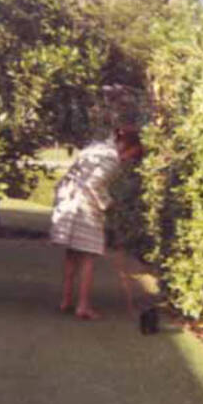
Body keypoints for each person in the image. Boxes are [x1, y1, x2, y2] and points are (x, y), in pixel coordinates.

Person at [50, 127, 143, 319]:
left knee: (72, 253)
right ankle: (83, 306)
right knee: (89, 256)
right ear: (126, 145)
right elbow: (94, 184)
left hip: (68, 202)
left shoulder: (95, 149)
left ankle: (66, 301)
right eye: (132, 155)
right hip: (85, 208)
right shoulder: (111, 160)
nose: (128, 161)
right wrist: (108, 204)